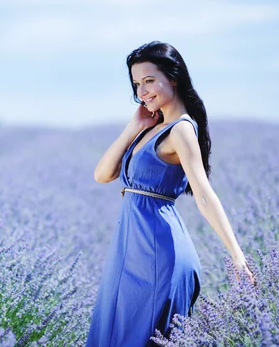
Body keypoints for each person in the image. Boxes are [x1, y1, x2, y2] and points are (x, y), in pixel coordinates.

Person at [87, 41, 255, 346]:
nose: (142, 91)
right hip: (131, 250)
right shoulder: (149, 128)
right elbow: (102, 174)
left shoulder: (180, 130)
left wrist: (236, 255)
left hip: (157, 254)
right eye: (137, 84)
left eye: (150, 80)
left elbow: (204, 194)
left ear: (173, 78)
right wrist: (133, 126)